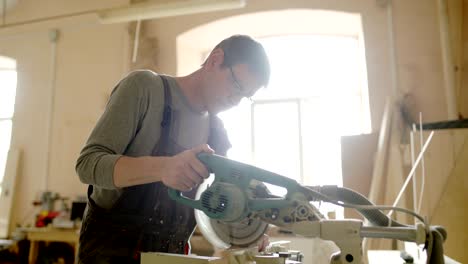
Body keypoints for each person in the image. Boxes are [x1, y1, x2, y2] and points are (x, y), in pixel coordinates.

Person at [75, 35, 270, 263]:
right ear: (215, 60)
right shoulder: (144, 88)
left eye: (245, 96)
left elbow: (217, 203)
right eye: (237, 86)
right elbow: (87, 164)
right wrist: (164, 167)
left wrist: (246, 232)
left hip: (171, 256)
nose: (235, 101)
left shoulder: (215, 132)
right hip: (109, 253)